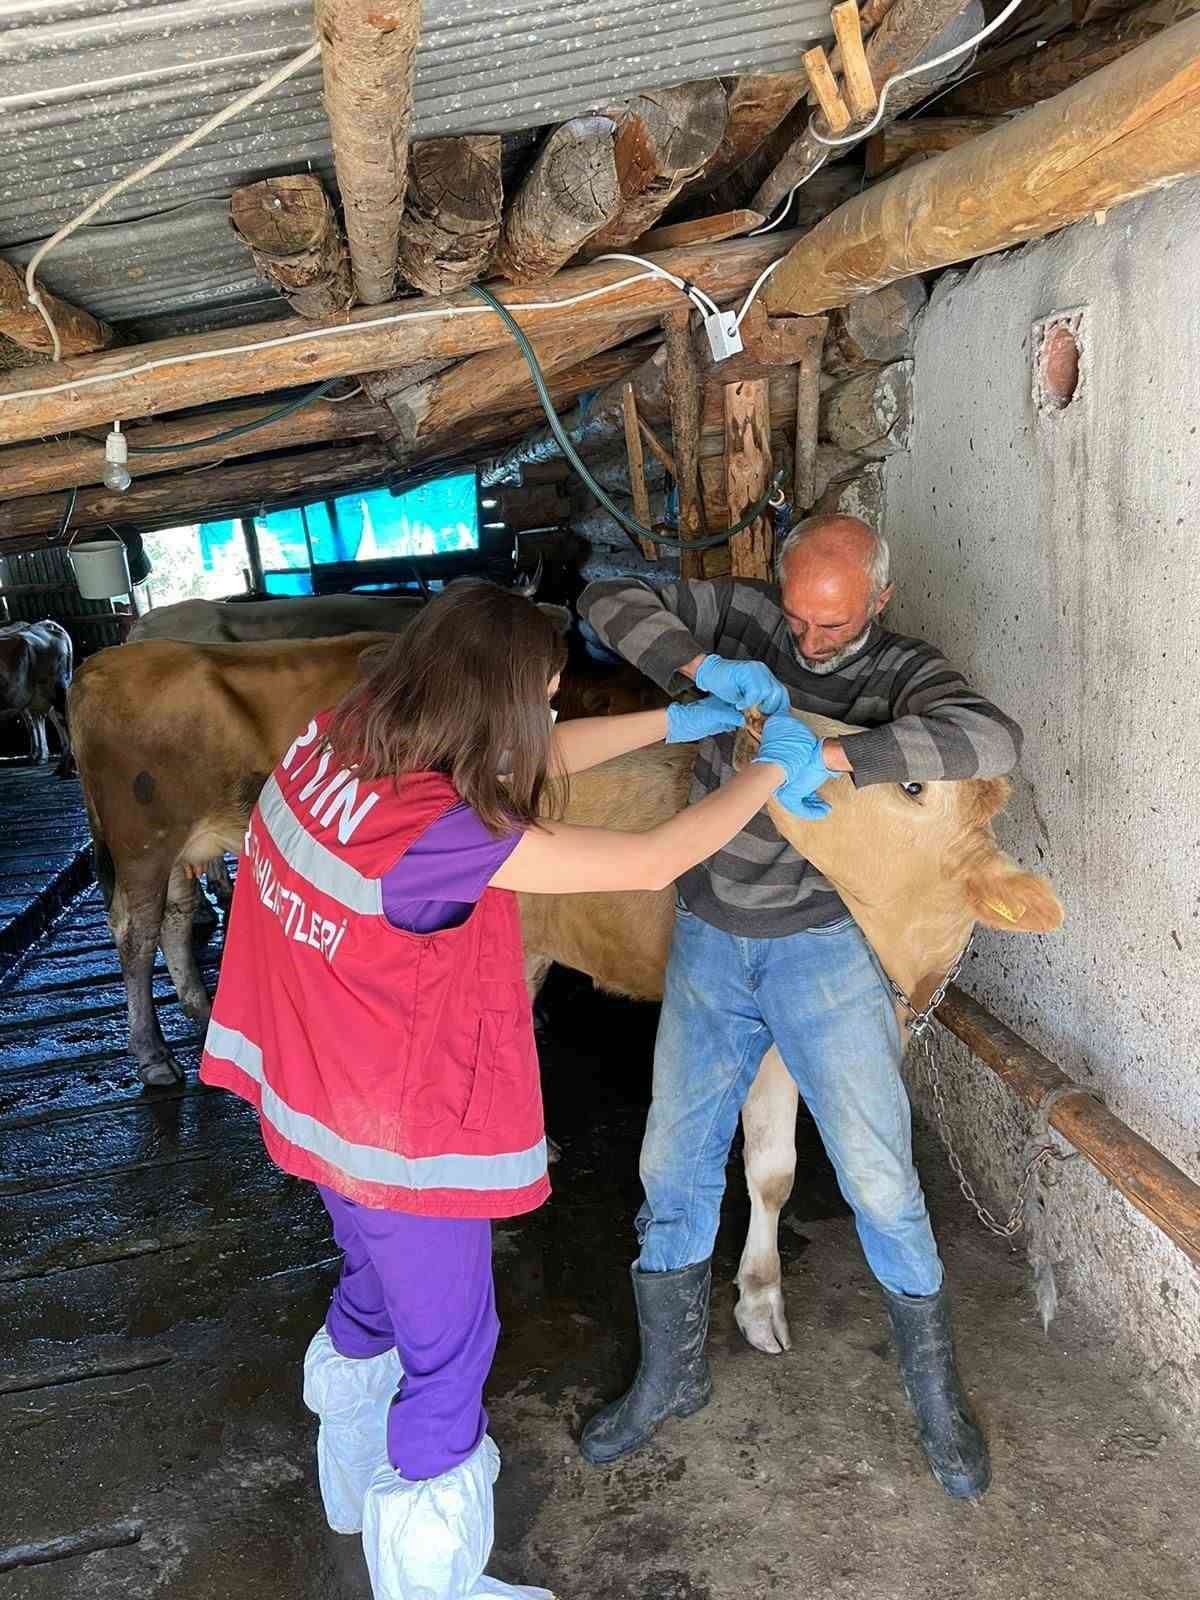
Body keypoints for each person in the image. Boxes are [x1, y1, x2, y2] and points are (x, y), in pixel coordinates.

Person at [199, 580, 830, 1600]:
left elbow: (521, 756)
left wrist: (681, 717)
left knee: (373, 1291)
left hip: (313, 1094)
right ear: (492, 704)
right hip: (390, 1131)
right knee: (452, 1356)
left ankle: (354, 1483)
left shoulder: (352, 730)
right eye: (541, 699)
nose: (547, 719)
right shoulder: (431, 836)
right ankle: (432, 1581)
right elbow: (654, 856)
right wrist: (766, 767)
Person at [576, 516, 1025, 1500]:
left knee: (878, 1177)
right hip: (706, 934)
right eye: (798, 619)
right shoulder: (746, 621)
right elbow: (604, 597)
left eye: (835, 624)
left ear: (878, 602)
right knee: (673, 1166)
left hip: (825, 951)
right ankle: (670, 1378)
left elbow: (993, 736)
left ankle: (936, 1398)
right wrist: (705, 665)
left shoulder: (904, 669)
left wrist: (837, 755)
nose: (811, 642)